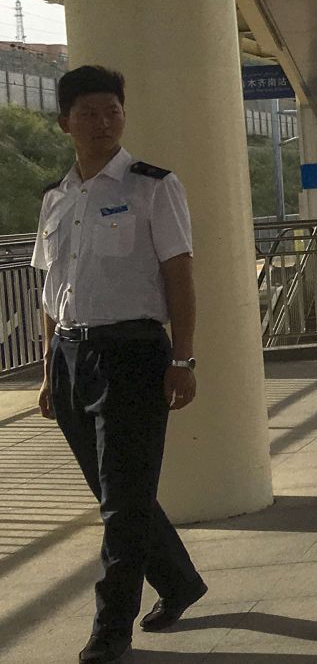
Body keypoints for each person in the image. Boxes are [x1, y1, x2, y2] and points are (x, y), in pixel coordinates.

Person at [32, 66, 207, 664]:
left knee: (122, 501)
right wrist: (47, 370)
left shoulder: (152, 186)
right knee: (119, 495)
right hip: (70, 357)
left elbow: (179, 277)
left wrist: (183, 357)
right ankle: (179, 581)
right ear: (65, 123)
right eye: (89, 113)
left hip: (132, 354)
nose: (103, 123)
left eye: (113, 111)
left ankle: (111, 629)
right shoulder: (56, 199)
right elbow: (52, 290)